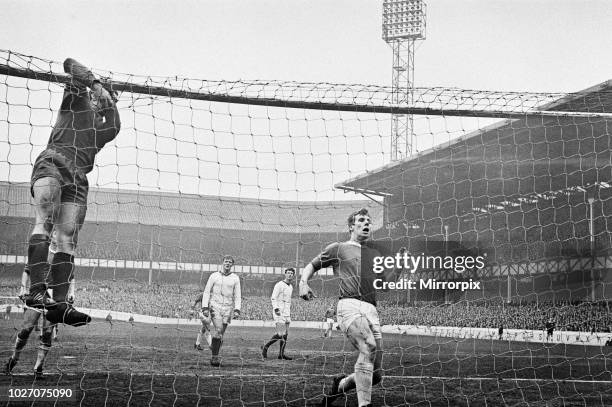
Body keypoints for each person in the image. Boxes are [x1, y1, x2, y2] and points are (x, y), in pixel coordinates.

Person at [24, 57, 120, 327]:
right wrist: (96, 85)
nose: (104, 99)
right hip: (54, 160)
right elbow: (70, 63)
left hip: (78, 175)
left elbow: (115, 124)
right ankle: (37, 291)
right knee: (46, 220)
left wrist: (109, 100)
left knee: (68, 238)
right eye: (102, 95)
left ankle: (62, 306)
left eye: (109, 98)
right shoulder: (77, 98)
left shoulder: (103, 129)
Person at [300, 208, 400, 407]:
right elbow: (313, 265)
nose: (367, 223)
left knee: (376, 375)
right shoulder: (339, 247)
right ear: (351, 226)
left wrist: (399, 266)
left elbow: (386, 285)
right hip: (349, 304)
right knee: (368, 346)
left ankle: (341, 384)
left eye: (369, 221)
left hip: (372, 309)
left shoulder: (374, 254)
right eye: (362, 220)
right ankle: (365, 404)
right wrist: (303, 282)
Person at [3, 265, 67, 378]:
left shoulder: (61, 254)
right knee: (26, 330)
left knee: (47, 333)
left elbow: (69, 275)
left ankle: (38, 368)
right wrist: (23, 288)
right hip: (36, 295)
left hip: (53, 298)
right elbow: (26, 271)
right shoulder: (39, 249)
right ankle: (14, 358)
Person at [201, 256, 242, 367]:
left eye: (230, 262)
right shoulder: (214, 276)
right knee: (218, 330)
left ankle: (214, 349)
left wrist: (237, 309)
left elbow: (238, 295)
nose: (227, 263)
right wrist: (205, 307)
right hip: (215, 306)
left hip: (228, 308)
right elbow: (206, 291)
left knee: (220, 335)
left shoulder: (235, 278)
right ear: (222, 263)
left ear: (232, 264)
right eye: (226, 261)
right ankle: (214, 358)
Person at [261, 268, 295, 360]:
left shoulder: (291, 287)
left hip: (287, 312)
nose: (290, 275)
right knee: (280, 334)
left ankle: (281, 354)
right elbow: (273, 297)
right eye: (288, 273)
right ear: (285, 274)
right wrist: (276, 308)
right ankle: (265, 346)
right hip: (279, 311)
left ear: (293, 275)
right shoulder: (279, 285)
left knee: (286, 334)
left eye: (292, 273)